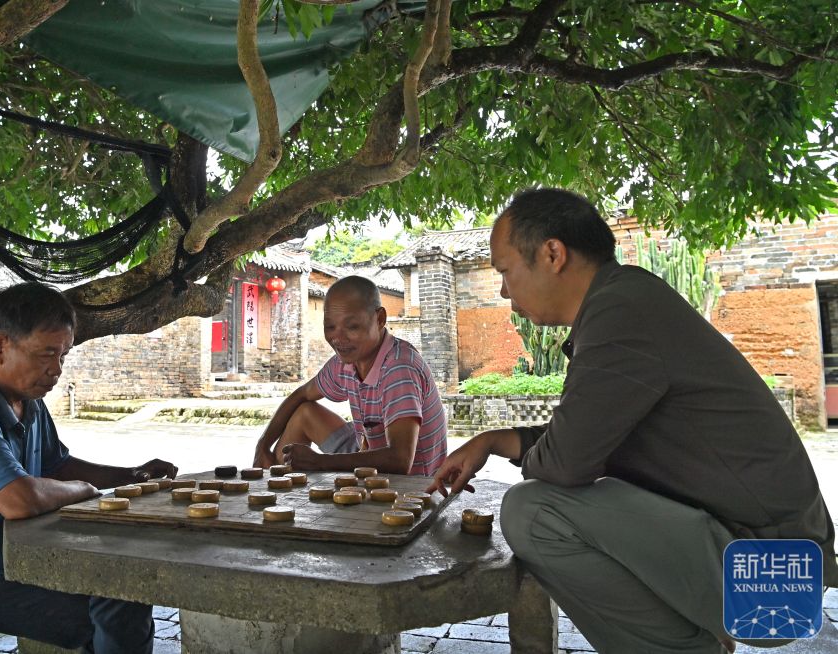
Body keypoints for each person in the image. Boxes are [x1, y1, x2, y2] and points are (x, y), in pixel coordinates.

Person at [427, 188, 838, 654]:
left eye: (504, 271)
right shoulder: (626, 299)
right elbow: (582, 438)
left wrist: (512, 446)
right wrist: (492, 441)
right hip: (780, 571)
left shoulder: (621, 311)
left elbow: (566, 463)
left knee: (533, 512)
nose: (502, 290)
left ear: (553, 254)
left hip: (776, 586)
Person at [0, 282, 177, 654]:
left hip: (11, 558)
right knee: (117, 599)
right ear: (0, 347)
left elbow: (56, 465)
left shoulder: (26, 398)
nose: (56, 370)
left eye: (63, 355)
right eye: (46, 354)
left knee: (121, 578)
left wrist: (130, 475)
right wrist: (85, 489)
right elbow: (21, 500)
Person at [252, 275, 447, 475]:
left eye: (352, 327)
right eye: (330, 327)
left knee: (319, 458)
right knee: (304, 413)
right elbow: (302, 394)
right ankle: (276, 487)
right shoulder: (346, 361)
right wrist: (263, 446)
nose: (338, 338)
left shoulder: (399, 367)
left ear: (379, 319)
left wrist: (320, 462)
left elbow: (400, 460)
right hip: (365, 451)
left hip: (410, 482)